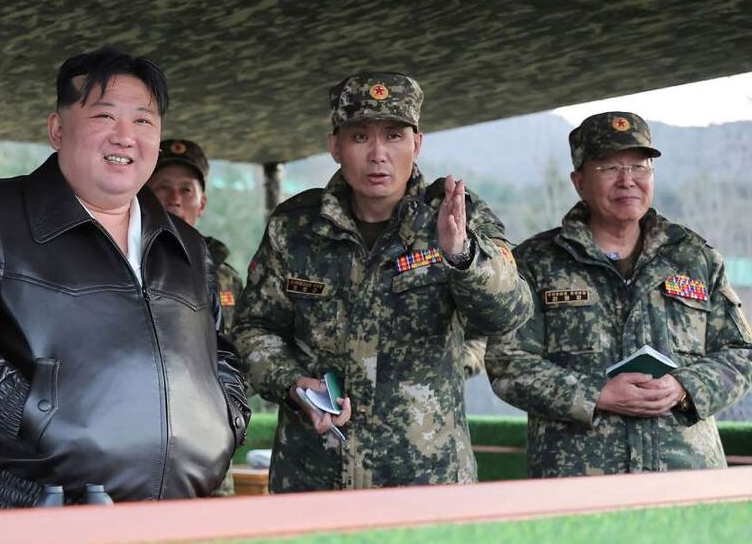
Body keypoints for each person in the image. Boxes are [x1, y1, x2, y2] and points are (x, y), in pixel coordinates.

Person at [0, 48, 249, 509]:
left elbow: (218, 351)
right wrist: (31, 414)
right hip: (36, 511)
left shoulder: (187, 244)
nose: (126, 137)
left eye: (143, 121)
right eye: (105, 116)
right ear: (57, 129)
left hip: (177, 515)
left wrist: (229, 415)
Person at [234, 72, 532, 492]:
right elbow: (254, 329)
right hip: (314, 477)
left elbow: (510, 313)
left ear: (417, 144)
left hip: (427, 482)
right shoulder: (295, 227)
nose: (378, 155)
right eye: (360, 137)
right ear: (335, 146)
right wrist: (293, 382)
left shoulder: (457, 215)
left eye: (394, 136)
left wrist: (461, 255)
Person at [486, 111, 752, 477]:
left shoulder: (694, 258)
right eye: (609, 168)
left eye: (640, 167)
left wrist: (684, 387)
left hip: (685, 476)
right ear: (578, 182)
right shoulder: (536, 262)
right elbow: (507, 363)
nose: (627, 181)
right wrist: (597, 394)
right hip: (578, 477)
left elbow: (741, 353)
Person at [148, 138, 244, 338]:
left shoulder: (226, 278)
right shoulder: (128, 264)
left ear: (202, 205)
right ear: (144, 198)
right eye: (163, 187)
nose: (175, 199)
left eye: (186, 190)